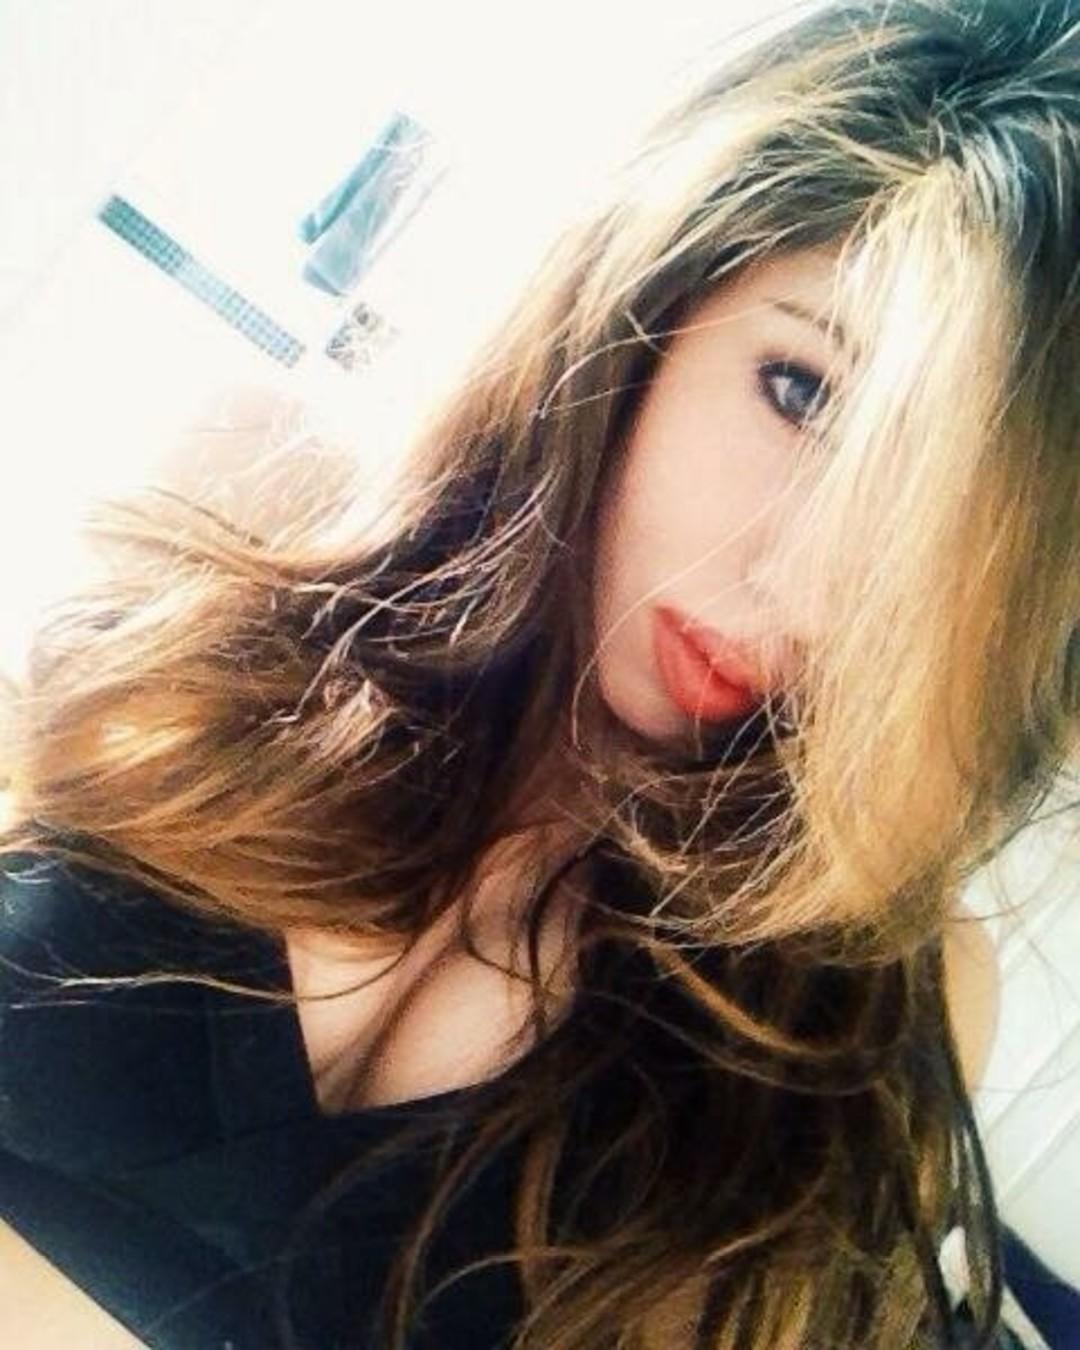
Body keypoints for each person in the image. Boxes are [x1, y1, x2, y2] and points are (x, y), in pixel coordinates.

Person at [0, 0, 1076, 1345]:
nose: (802, 587)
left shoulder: (878, 1008)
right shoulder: (248, 512)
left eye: (952, 541)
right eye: (802, 392)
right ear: (655, 299)